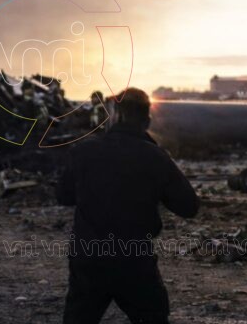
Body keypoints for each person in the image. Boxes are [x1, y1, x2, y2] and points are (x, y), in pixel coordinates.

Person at [57, 87, 199, 324]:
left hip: (88, 257)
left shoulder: (83, 151)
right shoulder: (155, 156)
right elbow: (189, 207)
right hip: (133, 259)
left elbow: (63, 196)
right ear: (147, 120)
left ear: (115, 116)